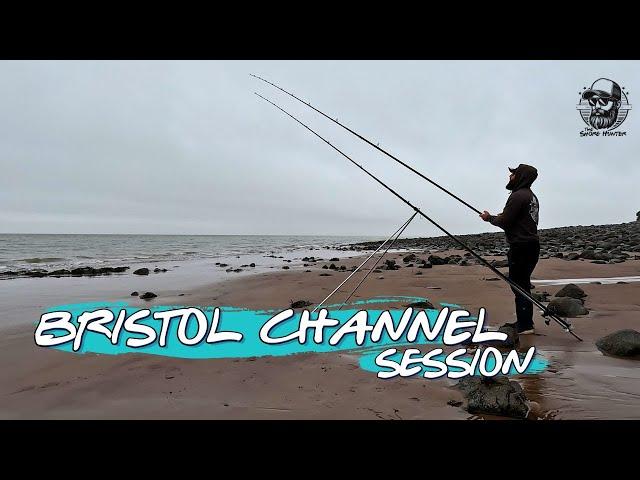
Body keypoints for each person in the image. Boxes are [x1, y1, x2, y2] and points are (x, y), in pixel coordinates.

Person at [480, 164, 540, 334]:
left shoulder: (518, 196)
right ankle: (525, 322)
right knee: (522, 284)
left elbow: (505, 222)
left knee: (519, 286)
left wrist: (489, 218)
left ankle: (525, 326)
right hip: (531, 246)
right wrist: (499, 216)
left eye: (513, 174)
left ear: (520, 176)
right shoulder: (530, 196)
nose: (510, 176)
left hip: (521, 247)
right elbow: (516, 218)